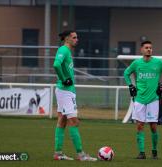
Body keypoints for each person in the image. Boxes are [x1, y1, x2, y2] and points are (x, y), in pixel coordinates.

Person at [124, 40, 162, 159]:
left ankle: (154, 151)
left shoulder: (158, 62)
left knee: (153, 126)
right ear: (141, 50)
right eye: (146, 47)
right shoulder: (136, 63)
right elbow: (126, 73)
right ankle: (141, 153)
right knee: (140, 125)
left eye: (150, 48)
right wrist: (130, 86)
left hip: (153, 99)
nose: (149, 49)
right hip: (139, 99)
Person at [53, 30, 97, 161]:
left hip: (64, 91)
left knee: (62, 121)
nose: (77, 39)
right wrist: (63, 79)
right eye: (74, 37)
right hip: (65, 91)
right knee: (74, 121)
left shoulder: (66, 51)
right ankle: (81, 155)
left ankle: (58, 153)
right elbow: (56, 64)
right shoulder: (64, 50)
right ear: (67, 39)